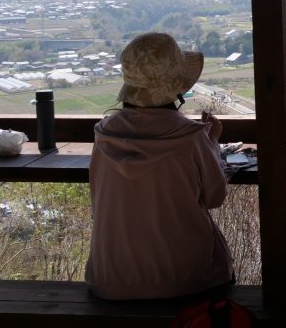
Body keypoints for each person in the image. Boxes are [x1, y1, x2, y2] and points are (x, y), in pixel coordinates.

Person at [85, 32, 234, 300]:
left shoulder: (104, 134)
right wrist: (211, 143)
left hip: (108, 282)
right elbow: (215, 197)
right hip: (187, 280)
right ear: (176, 87)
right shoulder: (190, 137)